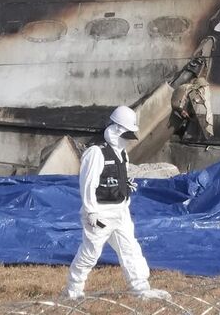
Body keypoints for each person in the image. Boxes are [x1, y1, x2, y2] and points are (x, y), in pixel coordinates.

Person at [64, 105, 168, 301]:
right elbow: (87, 184)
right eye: (125, 134)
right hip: (100, 213)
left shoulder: (122, 153)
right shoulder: (96, 152)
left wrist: (125, 186)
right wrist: (91, 212)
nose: (127, 140)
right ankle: (73, 291)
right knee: (90, 253)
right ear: (116, 129)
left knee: (130, 248)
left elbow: (119, 175)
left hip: (120, 210)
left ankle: (140, 288)